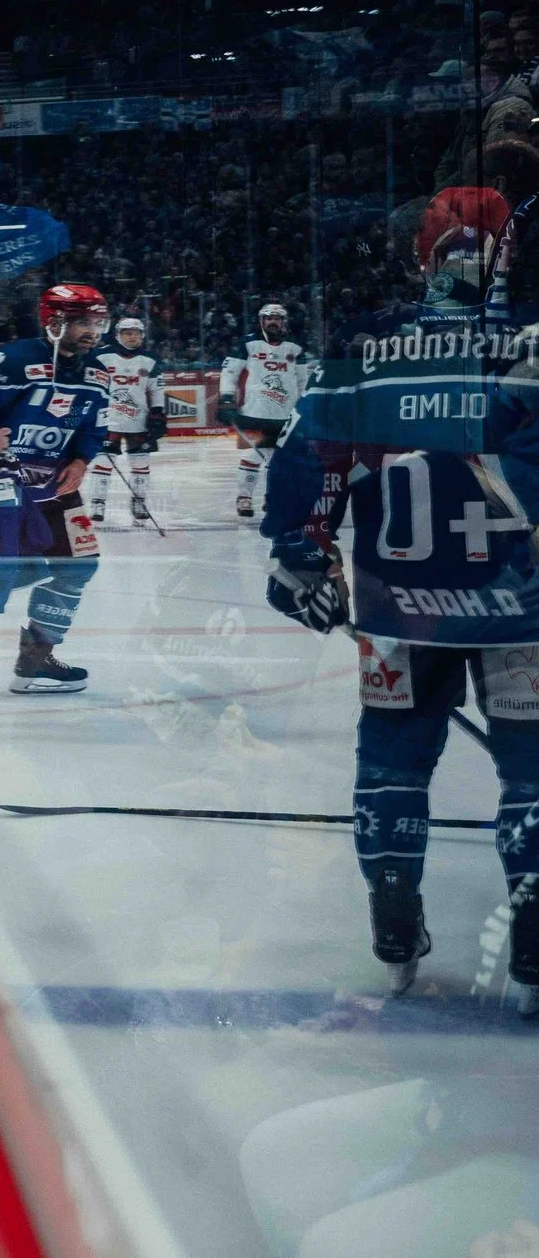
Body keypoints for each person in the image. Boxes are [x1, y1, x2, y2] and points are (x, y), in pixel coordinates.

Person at [262, 187, 536, 1014]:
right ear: (503, 252)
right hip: (519, 608)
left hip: (395, 608)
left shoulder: (363, 348)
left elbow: (309, 460)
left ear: (423, 254)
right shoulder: (531, 343)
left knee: (390, 760)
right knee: (530, 764)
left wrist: (302, 558)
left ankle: (391, 897)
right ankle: (534, 916)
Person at [0, 283, 110, 693]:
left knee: (80, 565)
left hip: (55, 488)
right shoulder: (12, 361)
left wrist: (81, 459)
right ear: (54, 322)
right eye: (84, 322)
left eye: (98, 321)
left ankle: (36, 660)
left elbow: (96, 426)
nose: (94, 330)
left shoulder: (97, 373)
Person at [222, 301, 311, 520]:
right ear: (262, 321)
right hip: (254, 411)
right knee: (253, 454)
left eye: (277, 318)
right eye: (268, 318)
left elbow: (303, 380)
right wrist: (225, 398)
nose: (273, 322)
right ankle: (244, 497)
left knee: (280, 460)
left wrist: (307, 405)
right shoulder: (248, 343)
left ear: (283, 322)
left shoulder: (295, 346)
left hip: (285, 415)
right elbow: (230, 372)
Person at [86, 316, 164, 526]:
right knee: (103, 462)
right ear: (118, 335)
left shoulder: (150, 359)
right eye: (128, 333)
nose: (133, 337)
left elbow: (156, 389)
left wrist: (158, 413)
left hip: (138, 421)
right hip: (107, 420)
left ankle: (139, 502)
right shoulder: (101, 356)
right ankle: (97, 503)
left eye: (137, 333)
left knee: (141, 463)